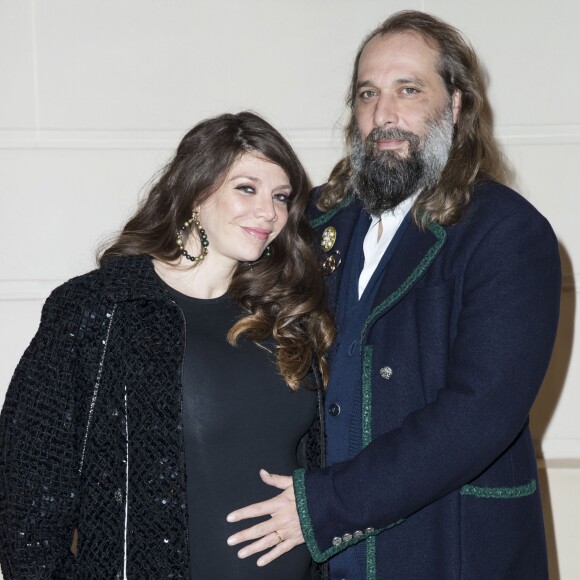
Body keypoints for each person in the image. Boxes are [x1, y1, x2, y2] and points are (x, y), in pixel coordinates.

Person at [225, 11, 561, 579]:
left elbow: (478, 415)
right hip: (319, 560)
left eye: (408, 90)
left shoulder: (507, 232)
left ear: (455, 105)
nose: (383, 115)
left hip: (448, 551)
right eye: (367, 93)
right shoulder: (319, 221)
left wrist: (322, 507)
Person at [0, 111, 335, 579]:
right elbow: (28, 493)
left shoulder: (286, 317)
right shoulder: (102, 309)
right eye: (247, 188)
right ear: (197, 191)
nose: (269, 212)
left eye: (280, 197)